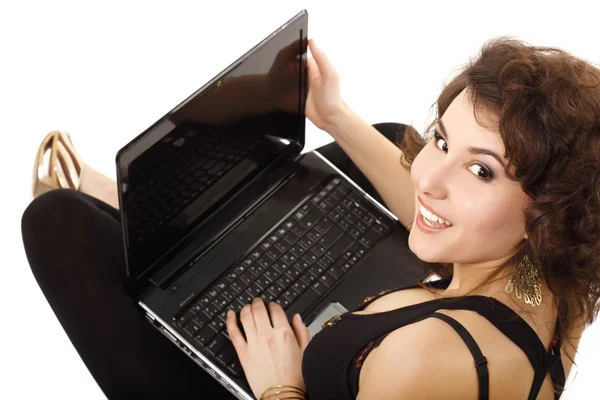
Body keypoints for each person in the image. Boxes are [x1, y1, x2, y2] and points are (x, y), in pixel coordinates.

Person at [22, 36, 600, 399]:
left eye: (482, 172)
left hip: (274, 377)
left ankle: (126, 217)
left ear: (545, 211)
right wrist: (334, 115)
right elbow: (431, 194)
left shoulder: (418, 363)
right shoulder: (560, 278)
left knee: (55, 222)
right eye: (445, 140)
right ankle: (152, 217)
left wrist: (280, 383)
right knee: (387, 137)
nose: (428, 177)